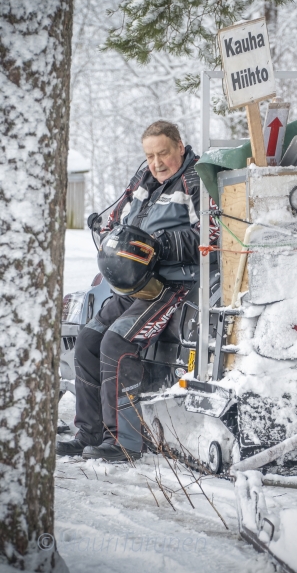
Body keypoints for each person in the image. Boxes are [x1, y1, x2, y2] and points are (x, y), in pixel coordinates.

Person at [56, 121, 218, 461]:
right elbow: (118, 218)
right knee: (87, 341)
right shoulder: (143, 181)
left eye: (163, 153)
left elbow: (213, 234)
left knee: (117, 343)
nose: (156, 163)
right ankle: (89, 432)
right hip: (132, 285)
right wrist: (107, 230)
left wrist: (158, 245)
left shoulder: (195, 180)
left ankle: (125, 442)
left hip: (171, 286)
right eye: (150, 155)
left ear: (180, 147)